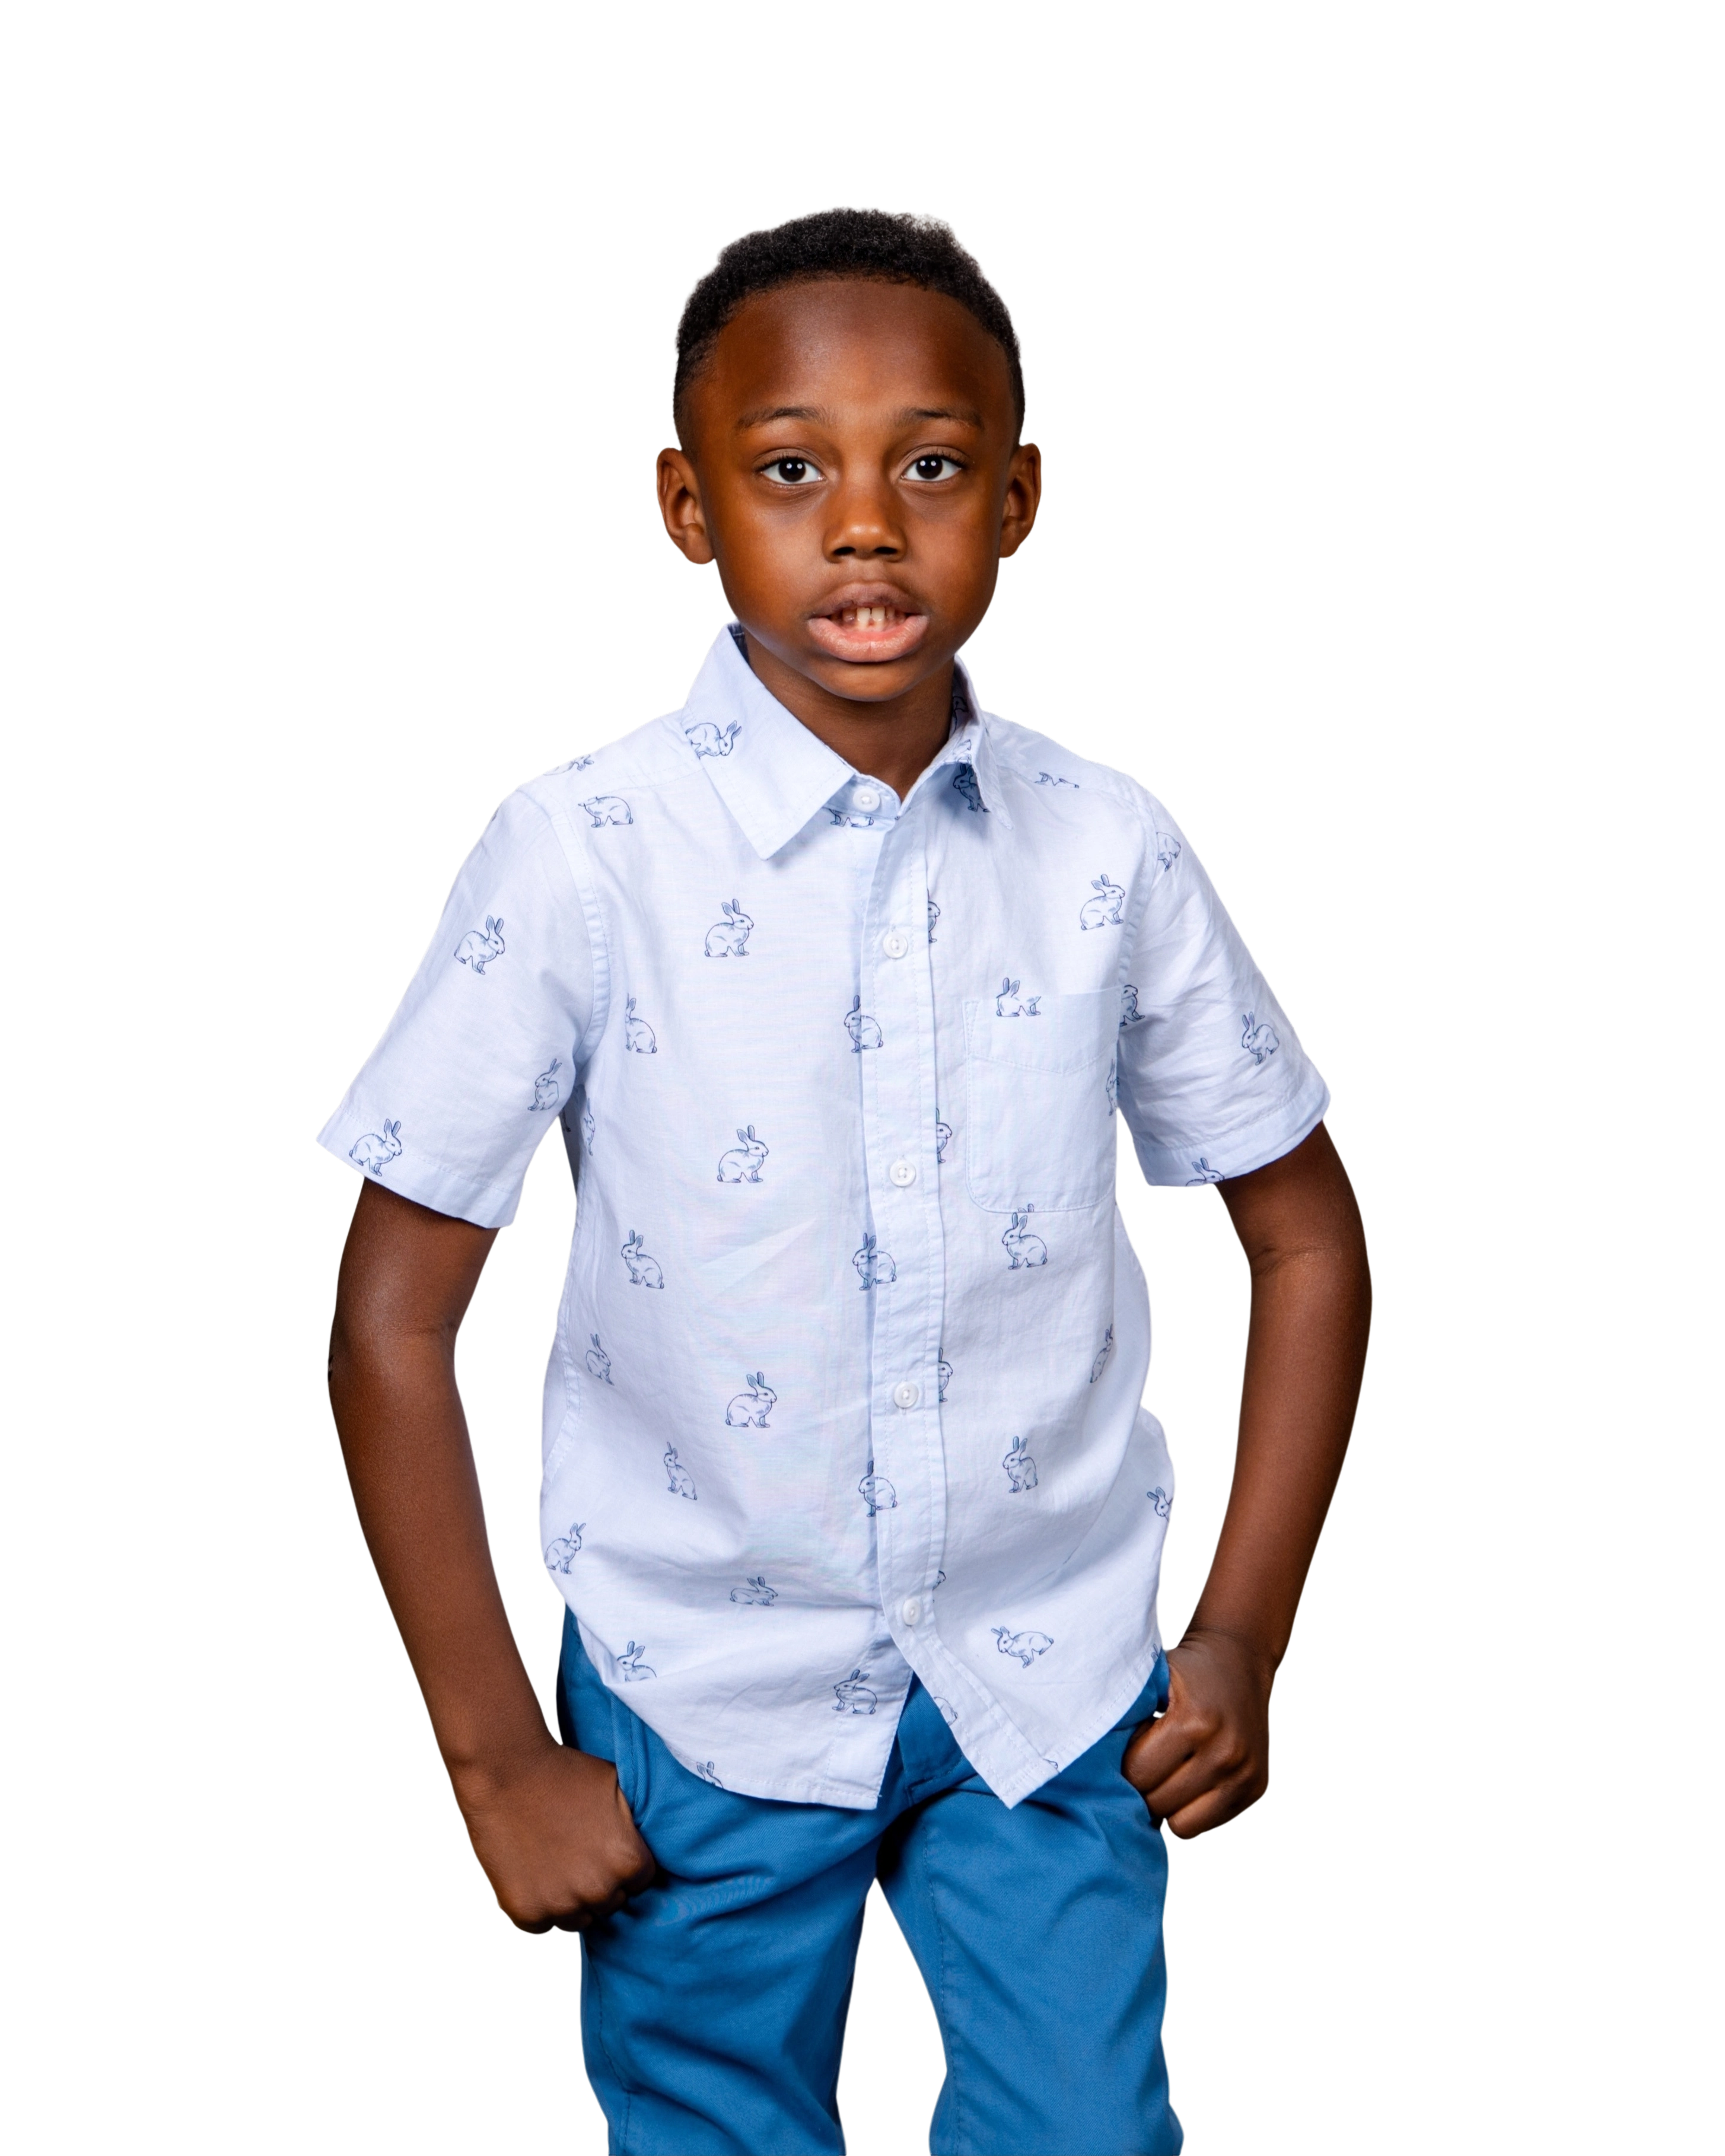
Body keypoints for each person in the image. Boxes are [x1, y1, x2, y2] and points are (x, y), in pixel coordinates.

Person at [320, 205, 1372, 2156]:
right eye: (792, 469)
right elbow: (389, 1318)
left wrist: (1242, 1631)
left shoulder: (1109, 850)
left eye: (934, 467)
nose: (867, 524)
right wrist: (492, 1760)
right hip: (698, 1688)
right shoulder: (583, 850)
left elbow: (1303, 1238)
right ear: (688, 506)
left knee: (1087, 2134)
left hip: (1050, 1680)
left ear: (1020, 502)